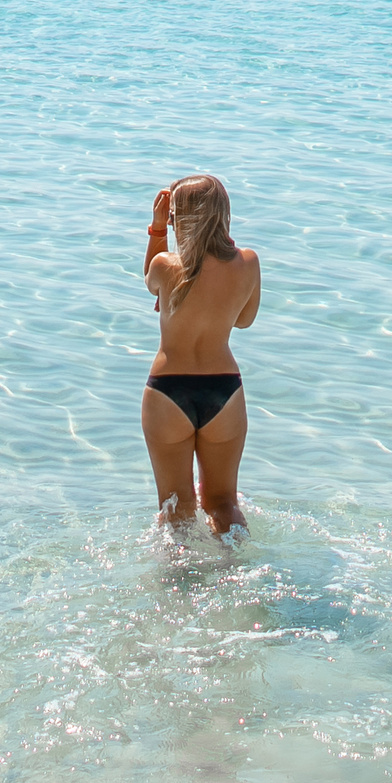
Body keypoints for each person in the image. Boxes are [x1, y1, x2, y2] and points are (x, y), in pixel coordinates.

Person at [140, 172, 260, 536]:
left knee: (175, 507)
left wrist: (157, 229)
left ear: (179, 219)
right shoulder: (248, 262)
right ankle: (236, 570)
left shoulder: (166, 266)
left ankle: (177, 588)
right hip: (224, 392)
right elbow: (244, 321)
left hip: (167, 392)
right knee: (224, 503)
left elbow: (149, 281)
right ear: (223, 213)